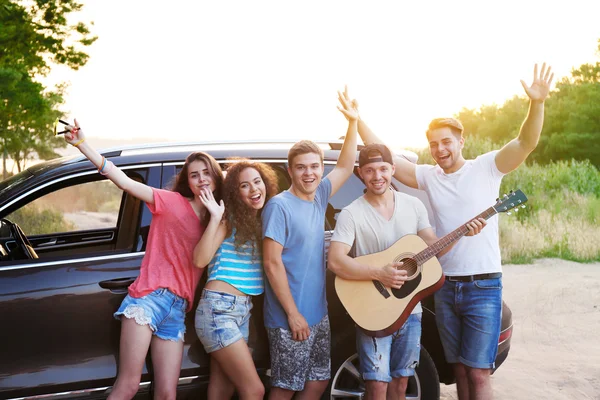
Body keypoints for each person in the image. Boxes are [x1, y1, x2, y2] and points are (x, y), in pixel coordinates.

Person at [355, 64, 554, 400]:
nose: (440, 149)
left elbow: (525, 142)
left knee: (478, 372)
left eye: (446, 141)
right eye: (433, 144)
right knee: (459, 370)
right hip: (444, 286)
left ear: (462, 140)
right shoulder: (429, 176)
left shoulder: (487, 167)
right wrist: (357, 119)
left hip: (482, 284)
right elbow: (383, 154)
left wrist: (537, 103)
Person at [62, 121, 224, 400]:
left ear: (215, 177)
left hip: (176, 310)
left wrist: (216, 216)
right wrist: (82, 145)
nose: (201, 180)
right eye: (195, 175)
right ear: (188, 180)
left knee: (166, 394)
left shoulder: (219, 219)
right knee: (128, 386)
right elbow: (123, 180)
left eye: (206, 173)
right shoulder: (170, 201)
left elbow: (201, 260)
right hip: (148, 299)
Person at [328, 144, 485, 400]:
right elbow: (336, 261)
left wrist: (462, 232)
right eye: (369, 171)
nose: (377, 176)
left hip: (411, 311)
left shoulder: (413, 206)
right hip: (373, 310)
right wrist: (380, 273)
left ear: (392, 169)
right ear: (360, 174)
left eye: (382, 169)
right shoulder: (351, 213)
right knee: (376, 385)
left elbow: (433, 248)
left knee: (401, 380)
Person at [260, 87, 359, 399]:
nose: (309, 172)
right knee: (285, 387)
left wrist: (353, 124)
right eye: (301, 167)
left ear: (320, 168)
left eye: (315, 166)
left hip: (318, 313)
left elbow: (345, 166)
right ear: (290, 170)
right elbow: (271, 262)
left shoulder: (318, 197)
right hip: (289, 316)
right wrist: (292, 313)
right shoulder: (279, 206)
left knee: (317, 381)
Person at [192, 159, 279, 400]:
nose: (253, 190)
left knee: (223, 389)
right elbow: (199, 260)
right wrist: (215, 218)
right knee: (254, 390)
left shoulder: (266, 222)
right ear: (234, 192)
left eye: (257, 182)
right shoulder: (227, 219)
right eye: (244, 186)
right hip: (218, 310)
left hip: (241, 311)